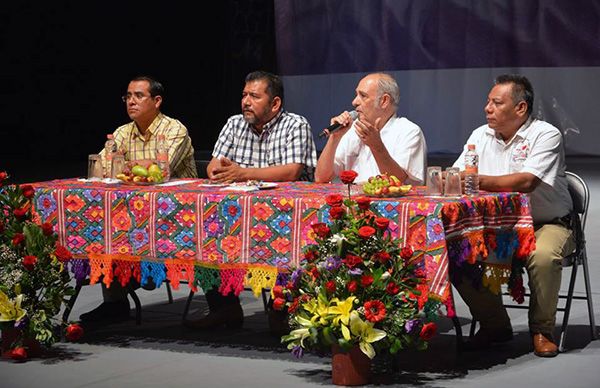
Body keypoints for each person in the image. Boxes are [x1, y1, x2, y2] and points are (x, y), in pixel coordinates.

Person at [452, 74, 574, 358]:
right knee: (459, 253)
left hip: (546, 223)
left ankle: (542, 330)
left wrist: (474, 180)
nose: (487, 108)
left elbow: (525, 182)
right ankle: (495, 326)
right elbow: (458, 175)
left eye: (496, 102)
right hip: (497, 227)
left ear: (520, 108)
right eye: (488, 102)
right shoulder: (479, 135)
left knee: (543, 256)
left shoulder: (546, 135)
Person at [184, 70, 317, 329]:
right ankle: (224, 307)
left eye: (254, 96)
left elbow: (291, 171)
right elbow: (215, 166)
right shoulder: (234, 124)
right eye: (244, 95)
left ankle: (281, 308)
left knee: (288, 238)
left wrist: (242, 173)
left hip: (287, 214)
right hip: (239, 210)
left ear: (275, 103)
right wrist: (217, 170)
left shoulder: (295, 124)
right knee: (207, 225)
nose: (246, 101)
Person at [80, 76, 198, 323]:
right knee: (101, 221)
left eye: (138, 96)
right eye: (128, 96)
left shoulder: (175, 129)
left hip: (176, 216)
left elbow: (162, 169)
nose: (131, 101)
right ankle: (115, 301)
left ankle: (143, 272)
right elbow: (101, 167)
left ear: (157, 101)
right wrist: (124, 163)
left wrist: (124, 164)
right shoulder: (122, 132)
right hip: (132, 215)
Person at [314, 72, 426, 185]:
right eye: (356, 95)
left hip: (392, 202)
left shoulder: (409, 131)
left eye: (363, 96)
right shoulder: (352, 129)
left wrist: (376, 146)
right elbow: (321, 178)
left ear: (384, 101)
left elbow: (398, 181)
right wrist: (335, 137)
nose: (354, 102)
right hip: (353, 200)